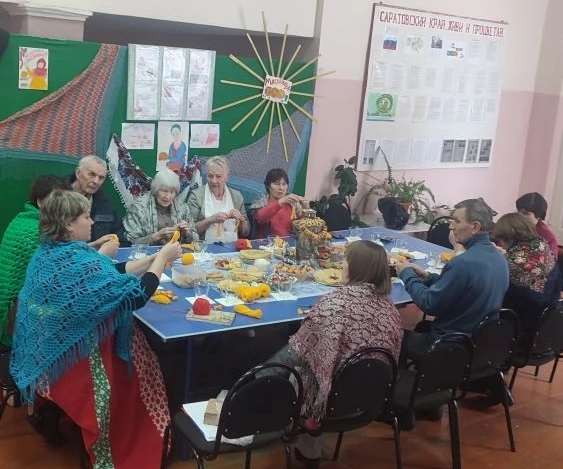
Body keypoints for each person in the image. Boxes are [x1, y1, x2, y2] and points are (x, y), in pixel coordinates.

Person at [10, 190, 181, 469]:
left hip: (44, 355)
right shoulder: (79, 261)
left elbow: (109, 273)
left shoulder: (50, 253)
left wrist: (150, 262)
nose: (92, 222)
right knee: (146, 355)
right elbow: (136, 296)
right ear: (68, 225)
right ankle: (149, 431)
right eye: (86, 217)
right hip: (77, 363)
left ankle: (51, 416)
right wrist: (162, 258)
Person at [261, 241, 403, 467]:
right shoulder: (391, 308)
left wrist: (260, 375)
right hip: (372, 398)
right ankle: (308, 451)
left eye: (345, 261)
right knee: (323, 363)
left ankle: (294, 438)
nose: (341, 265)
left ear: (356, 267)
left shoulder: (333, 305)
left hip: (329, 402)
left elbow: (299, 351)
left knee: (302, 369)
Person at [396, 199, 509, 363]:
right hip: (479, 343)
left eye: (456, 221)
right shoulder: (500, 259)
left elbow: (429, 304)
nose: (451, 226)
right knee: (421, 327)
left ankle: (405, 378)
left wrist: (407, 274)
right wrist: (428, 277)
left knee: (395, 333)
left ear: (475, 227)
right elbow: (464, 288)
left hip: (448, 344)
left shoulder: (462, 263)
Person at [0, 175, 70, 347]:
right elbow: (62, 271)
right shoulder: (37, 231)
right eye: (57, 200)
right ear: (40, 202)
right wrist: (101, 254)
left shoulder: (23, 219)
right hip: (19, 310)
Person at [492, 212, 562, 345]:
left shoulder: (513, 262)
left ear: (509, 237)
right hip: (547, 324)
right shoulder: (542, 246)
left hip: (521, 327)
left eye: (501, 241)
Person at [123, 168, 198, 245]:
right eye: (164, 191)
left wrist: (186, 234)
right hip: (147, 252)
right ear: (156, 190)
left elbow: (196, 239)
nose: (168, 197)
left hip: (177, 251)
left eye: (172, 192)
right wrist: (157, 236)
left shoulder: (182, 207)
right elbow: (130, 242)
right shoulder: (138, 208)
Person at [69, 155, 129, 245]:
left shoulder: (106, 206)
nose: (96, 181)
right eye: (92, 175)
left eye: (101, 177)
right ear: (78, 173)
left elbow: (122, 241)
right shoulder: (55, 198)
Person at [187, 156, 250, 241]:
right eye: (210, 176)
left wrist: (241, 218)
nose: (214, 181)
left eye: (218, 176)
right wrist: (210, 220)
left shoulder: (236, 196)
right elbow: (189, 231)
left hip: (231, 246)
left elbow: (245, 232)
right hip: (204, 247)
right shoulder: (196, 196)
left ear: (227, 177)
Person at [249, 168, 309, 238]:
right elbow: (260, 219)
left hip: (290, 243)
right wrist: (280, 202)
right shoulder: (261, 202)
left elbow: (303, 227)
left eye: (284, 184)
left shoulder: (293, 204)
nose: (281, 188)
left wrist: (305, 210)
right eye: (277, 184)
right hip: (267, 243)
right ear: (268, 186)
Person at [516, 192, 559, 259]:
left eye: (525, 213)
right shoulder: (513, 227)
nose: (520, 216)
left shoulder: (548, 237)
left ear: (538, 216)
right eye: (519, 212)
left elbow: (550, 261)